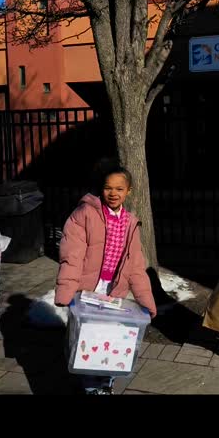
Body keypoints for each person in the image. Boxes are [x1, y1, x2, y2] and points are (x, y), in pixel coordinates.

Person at [55, 164, 157, 394]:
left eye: (119, 189)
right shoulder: (84, 214)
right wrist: (66, 292)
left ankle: (106, 383)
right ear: (101, 189)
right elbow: (72, 255)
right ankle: (92, 387)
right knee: (89, 340)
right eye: (108, 188)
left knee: (111, 339)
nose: (113, 193)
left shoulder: (130, 222)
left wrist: (146, 301)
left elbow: (136, 267)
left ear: (128, 191)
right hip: (87, 290)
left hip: (114, 293)